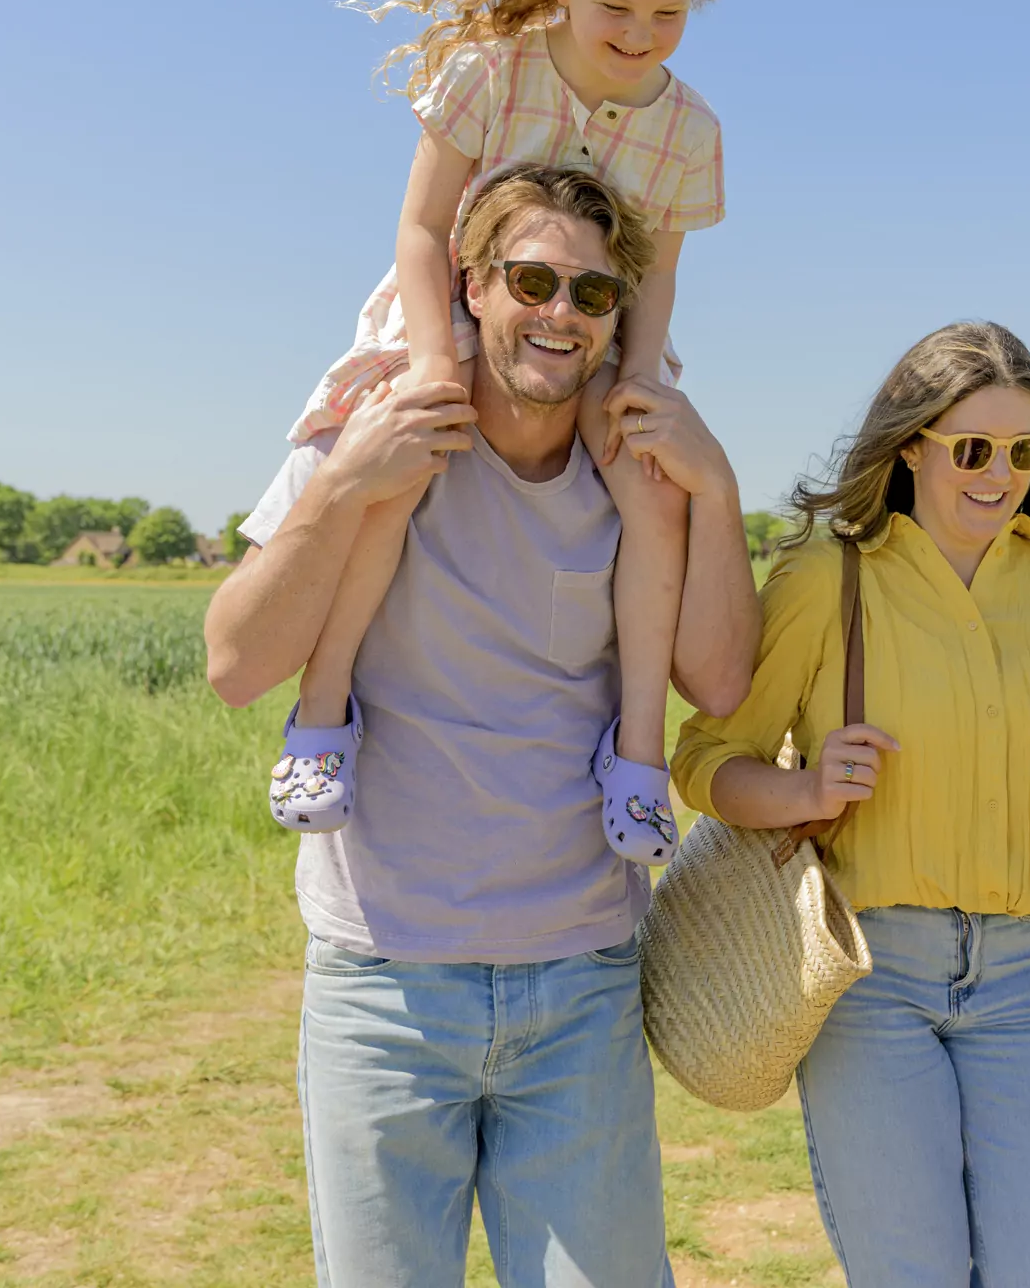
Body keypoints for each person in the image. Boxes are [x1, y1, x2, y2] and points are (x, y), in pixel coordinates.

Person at [204, 164, 758, 1287]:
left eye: (593, 295)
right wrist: (343, 484)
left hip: (582, 981)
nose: (560, 313)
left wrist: (719, 491)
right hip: (383, 983)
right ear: (471, 286)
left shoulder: (635, 472)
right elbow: (233, 664)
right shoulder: (371, 430)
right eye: (533, 279)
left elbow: (722, 678)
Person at [670, 321, 1030, 1287]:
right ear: (912, 447)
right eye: (973, 449)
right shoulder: (830, 578)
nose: (1001, 474)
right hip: (873, 985)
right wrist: (804, 790)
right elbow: (706, 759)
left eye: (1025, 452)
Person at [268, 0, 727, 857]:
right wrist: (436, 358)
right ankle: (323, 712)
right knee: (402, 455)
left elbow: (657, 278)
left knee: (652, 491)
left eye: (669, 17)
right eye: (616, 10)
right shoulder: (492, 66)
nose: (640, 38)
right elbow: (424, 227)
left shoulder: (690, 129)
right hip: (455, 306)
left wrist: (639, 389)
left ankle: (640, 754)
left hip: (593, 330)